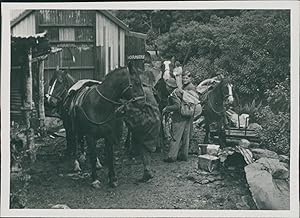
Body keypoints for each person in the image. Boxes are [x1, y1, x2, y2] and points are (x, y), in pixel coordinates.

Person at [162, 71, 196, 162]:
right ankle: (184, 156)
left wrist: (166, 108)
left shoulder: (174, 94)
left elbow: (177, 106)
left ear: (169, 86)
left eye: (167, 86)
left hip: (179, 118)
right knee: (186, 137)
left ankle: (172, 157)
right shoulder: (180, 91)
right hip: (187, 115)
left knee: (175, 137)